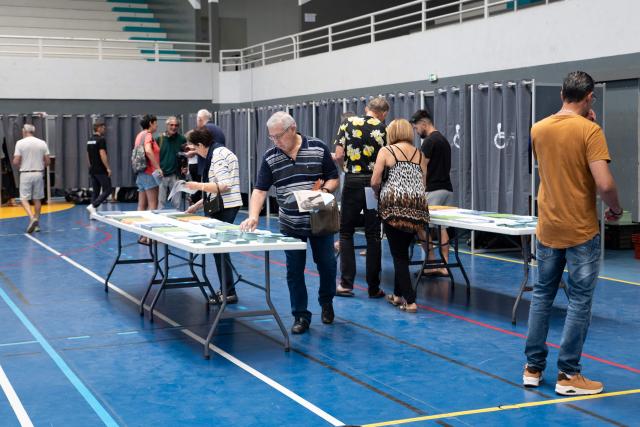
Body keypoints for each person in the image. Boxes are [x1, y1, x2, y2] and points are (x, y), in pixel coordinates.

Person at [523, 71, 623, 396]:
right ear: (589, 96)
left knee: (542, 295)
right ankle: (568, 374)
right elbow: (604, 183)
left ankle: (532, 368)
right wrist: (616, 209)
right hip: (580, 228)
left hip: (548, 225)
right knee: (579, 300)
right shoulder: (590, 131)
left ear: (563, 93)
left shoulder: (538, 129)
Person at [240, 112, 339, 335]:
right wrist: (254, 215)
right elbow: (260, 189)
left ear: (292, 129)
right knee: (294, 271)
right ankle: (300, 315)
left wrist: (323, 191)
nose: (275, 141)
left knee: (327, 265)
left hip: (319, 220)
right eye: (271, 137)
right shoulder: (270, 157)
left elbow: (334, 178)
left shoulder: (318, 147)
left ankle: (326, 301)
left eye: (278, 136)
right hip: (290, 224)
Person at [333, 97, 389, 298]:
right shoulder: (384, 128)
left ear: (367, 109)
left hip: (353, 181)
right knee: (373, 235)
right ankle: (373, 288)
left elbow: (339, 155)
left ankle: (346, 284)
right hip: (373, 184)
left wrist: (346, 170)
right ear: (384, 113)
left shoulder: (347, 124)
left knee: (346, 233)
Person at [371, 119, 429, 314]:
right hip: (417, 206)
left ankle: (410, 301)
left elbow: (375, 179)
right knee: (402, 252)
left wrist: (377, 193)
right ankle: (397, 295)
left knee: (398, 255)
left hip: (394, 205)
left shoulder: (386, 151)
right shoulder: (420, 154)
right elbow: (423, 182)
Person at [184, 128, 243, 304]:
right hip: (224, 204)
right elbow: (217, 188)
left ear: (202, 145)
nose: (195, 152)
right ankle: (227, 289)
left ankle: (228, 291)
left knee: (220, 250)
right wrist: (196, 205)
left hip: (226, 207)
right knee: (220, 251)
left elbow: (223, 185)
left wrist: (196, 185)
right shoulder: (219, 152)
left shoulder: (217, 155)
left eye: (195, 147)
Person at [410, 109, 453, 277]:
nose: (416, 131)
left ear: (424, 124)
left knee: (419, 225)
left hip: (433, 190)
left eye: (416, 128)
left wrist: (418, 190)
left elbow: (422, 168)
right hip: (447, 189)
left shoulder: (428, 142)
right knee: (442, 228)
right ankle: (444, 265)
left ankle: (432, 262)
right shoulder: (443, 140)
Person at [12, 124, 50, 233]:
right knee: (37, 199)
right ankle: (37, 223)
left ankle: (32, 218)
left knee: (24, 199)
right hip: (38, 173)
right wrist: (40, 166)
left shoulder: (20, 143)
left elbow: (16, 160)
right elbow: (47, 161)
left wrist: (19, 164)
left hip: (25, 173)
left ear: (24, 131)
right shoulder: (42, 143)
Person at [134, 114, 162, 244]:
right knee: (152, 205)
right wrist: (157, 168)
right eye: (155, 123)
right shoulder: (148, 136)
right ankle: (150, 236)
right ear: (151, 123)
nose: (156, 125)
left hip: (140, 173)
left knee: (141, 205)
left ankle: (142, 235)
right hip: (149, 173)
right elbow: (148, 151)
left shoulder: (139, 135)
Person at [157, 116, 187, 209]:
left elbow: (184, 155)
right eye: (171, 125)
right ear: (167, 125)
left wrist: (185, 167)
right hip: (162, 174)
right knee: (160, 202)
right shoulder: (159, 139)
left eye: (176, 125)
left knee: (177, 202)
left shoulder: (182, 139)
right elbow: (155, 156)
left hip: (176, 174)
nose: (174, 127)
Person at [86, 120, 111, 217]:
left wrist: (91, 166)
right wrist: (108, 168)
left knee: (96, 192)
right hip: (101, 169)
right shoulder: (101, 140)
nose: (104, 129)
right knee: (108, 189)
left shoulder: (90, 140)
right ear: (99, 128)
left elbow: (87, 155)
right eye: (103, 128)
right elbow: (102, 154)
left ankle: (92, 214)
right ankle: (93, 205)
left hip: (93, 169)